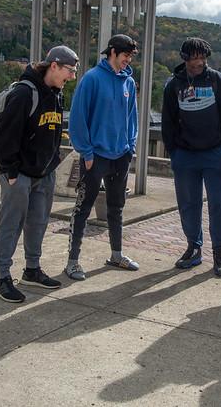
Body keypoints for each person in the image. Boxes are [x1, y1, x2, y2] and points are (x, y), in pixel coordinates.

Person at [0, 45, 79, 303]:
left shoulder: (56, 93)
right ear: (54, 65)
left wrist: (52, 163)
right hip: (19, 174)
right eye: (70, 71)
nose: (72, 77)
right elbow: (5, 136)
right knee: (11, 223)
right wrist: (10, 171)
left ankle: (32, 269)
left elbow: (52, 132)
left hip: (44, 173)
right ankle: (2, 277)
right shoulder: (23, 93)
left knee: (38, 223)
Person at [161, 37, 221, 277]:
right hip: (185, 155)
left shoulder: (218, 81)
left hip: (214, 154)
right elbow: (168, 121)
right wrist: (174, 151)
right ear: (185, 58)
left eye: (202, 58)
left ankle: (220, 256)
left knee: (218, 205)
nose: (198, 62)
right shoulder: (173, 85)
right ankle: (194, 248)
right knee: (188, 205)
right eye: (194, 58)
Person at [65, 34, 140, 281]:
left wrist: (131, 146)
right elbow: (77, 118)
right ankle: (73, 261)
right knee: (83, 207)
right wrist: (86, 152)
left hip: (121, 156)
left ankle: (116, 255)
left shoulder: (129, 82)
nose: (128, 61)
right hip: (95, 155)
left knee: (116, 208)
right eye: (125, 55)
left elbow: (132, 118)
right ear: (112, 53)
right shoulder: (92, 79)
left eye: (131, 56)